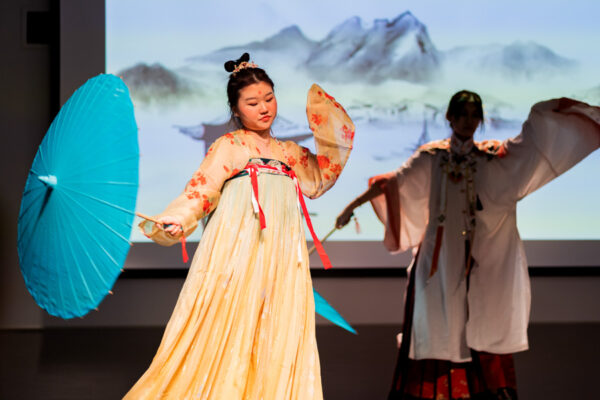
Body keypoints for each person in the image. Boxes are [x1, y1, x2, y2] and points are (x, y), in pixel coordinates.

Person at [336, 91, 600, 399]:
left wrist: (548, 114)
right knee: (433, 329)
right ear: (449, 117)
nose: (468, 121)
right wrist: (351, 206)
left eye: (474, 115)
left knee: (480, 326)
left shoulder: (490, 158)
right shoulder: (432, 157)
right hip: (437, 265)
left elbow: (528, 153)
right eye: (461, 114)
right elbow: (392, 183)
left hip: (478, 265)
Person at [124, 53, 355, 399]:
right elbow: (200, 192)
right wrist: (177, 220)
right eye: (252, 102)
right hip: (237, 259)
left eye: (269, 98)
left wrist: (325, 122)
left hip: (280, 262)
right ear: (236, 110)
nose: (264, 108)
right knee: (228, 332)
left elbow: (322, 177)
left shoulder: (290, 153)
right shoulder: (229, 147)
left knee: (279, 332)